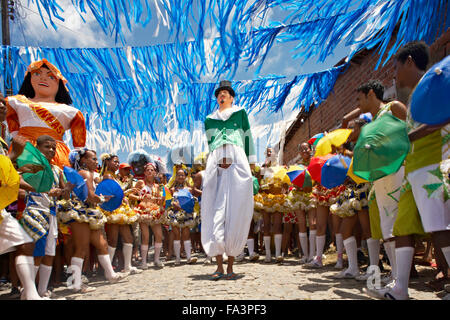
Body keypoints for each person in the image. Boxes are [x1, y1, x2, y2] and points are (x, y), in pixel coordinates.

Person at [366, 42, 450, 300]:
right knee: (402, 228)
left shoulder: (437, 84)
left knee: (440, 227)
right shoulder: (415, 96)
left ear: (410, 62)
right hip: (413, 169)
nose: (396, 73)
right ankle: (400, 288)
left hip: (431, 165)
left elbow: (443, 120)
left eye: (397, 66)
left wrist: (408, 138)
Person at [201, 80, 256, 280]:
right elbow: (210, 144)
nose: (222, 96)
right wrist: (216, 162)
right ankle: (218, 267)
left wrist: (250, 165)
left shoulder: (240, 113)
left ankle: (231, 266)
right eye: (219, 94)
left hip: (238, 158)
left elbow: (247, 138)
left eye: (225, 93)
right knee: (216, 211)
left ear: (232, 97)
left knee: (235, 211)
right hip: (217, 159)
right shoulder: (209, 119)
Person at [58, 148, 124, 293]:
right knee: (81, 248)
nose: (96, 162)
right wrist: (103, 199)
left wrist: (101, 197)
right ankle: (76, 283)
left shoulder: (90, 174)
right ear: (83, 161)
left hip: (89, 212)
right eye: (93, 159)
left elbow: (90, 195)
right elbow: (90, 196)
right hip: (80, 213)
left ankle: (110, 274)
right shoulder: (85, 173)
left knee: (102, 244)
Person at [5, 59, 86, 168]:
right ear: (29, 78)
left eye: (51, 76)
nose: (43, 78)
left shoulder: (71, 112)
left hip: (55, 152)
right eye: (37, 74)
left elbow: (79, 145)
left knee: (56, 179)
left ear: (59, 84)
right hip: (25, 149)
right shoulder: (15, 101)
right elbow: (10, 118)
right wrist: (16, 137)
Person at [99, 154, 140, 275]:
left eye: (118, 162)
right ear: (107, 162)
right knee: (113, 239)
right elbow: (113, 193)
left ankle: (128, 266)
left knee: (128, 237)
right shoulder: (107, 176)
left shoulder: (115, 176)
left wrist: (127, 192)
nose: (117, 164)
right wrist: (128, 190)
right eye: (115, 162)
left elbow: (119, 192)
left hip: (121, 209)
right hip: (113, 210)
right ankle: (108, 270)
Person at [130, 162, 166, 269]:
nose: (150, 171)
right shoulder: (140, 183)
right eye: (147, 170)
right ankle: (144, 262)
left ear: (155, 172)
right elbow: (131, 195)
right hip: (144, 211)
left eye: (152, 170)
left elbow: (161, 199)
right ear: (145, 172)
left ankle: (156, 259)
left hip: (155, 211)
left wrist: (160, 199)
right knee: (145, 236)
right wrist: (140, 198)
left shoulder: (158, 186)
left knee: (159, 235)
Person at [288, 142, 317, 264]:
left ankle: (313, 254)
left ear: (311, 150)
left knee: (312, 223)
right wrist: (298, 186)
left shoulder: (315, 163)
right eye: (302, 149)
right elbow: (293, 182)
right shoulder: (297, 167)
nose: (305, 151)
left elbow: (318, 179)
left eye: (307, 149)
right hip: (299, 196)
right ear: (299, 153)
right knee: (301, 225)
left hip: (311, 195)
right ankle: (304, 254)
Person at [167, 168, 197, 265]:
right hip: (175, 214)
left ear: (185, 177)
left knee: (186, 234)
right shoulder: (172, 189)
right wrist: (173, 205)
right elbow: (169, 202)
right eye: (178, 175)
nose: (180, 177)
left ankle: (188, 257)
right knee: (176, 235)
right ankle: (177, 258)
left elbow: (192, 202)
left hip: (186, 214)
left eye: (182, 175)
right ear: (176, 177)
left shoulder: (189, 189)